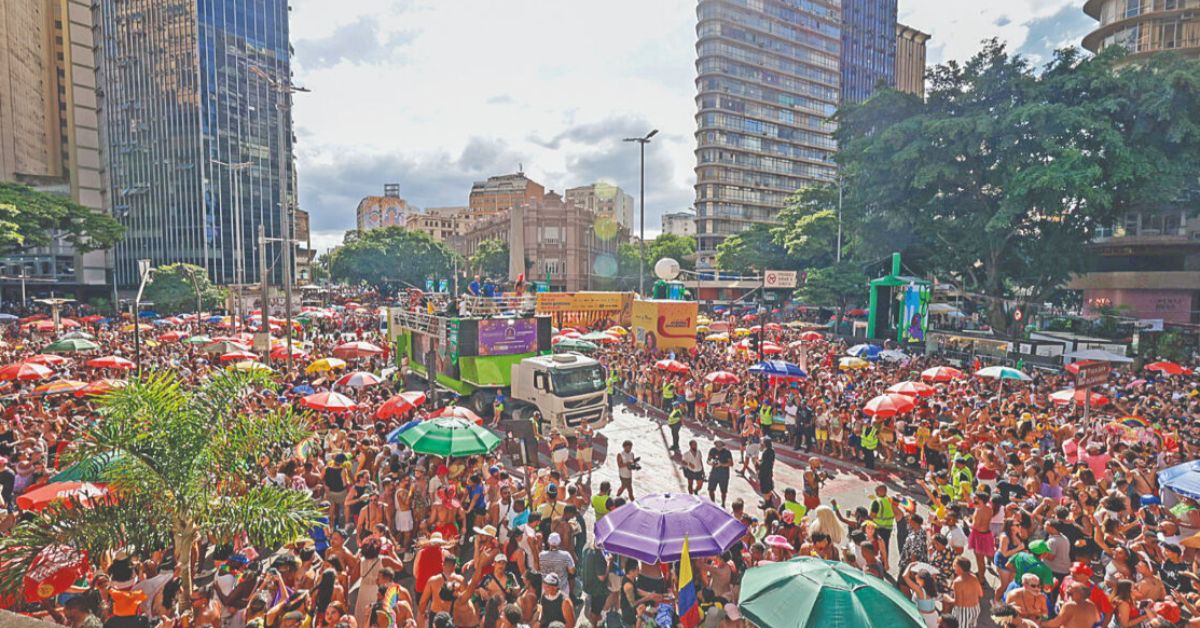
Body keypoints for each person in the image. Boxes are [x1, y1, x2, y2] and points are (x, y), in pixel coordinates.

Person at [706, 440, 733, 508]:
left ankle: (723, 503)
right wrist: (711, 463)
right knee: (711, 490)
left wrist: (721, 464)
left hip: (724, 475)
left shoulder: (727, 452)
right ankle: (713, 503)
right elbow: (708, 460)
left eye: (719, 444)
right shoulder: (712, 450)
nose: (718, 445)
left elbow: (731, 463)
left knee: (723, 491)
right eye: (717, 444)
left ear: (722, 444)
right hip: (714, 473)